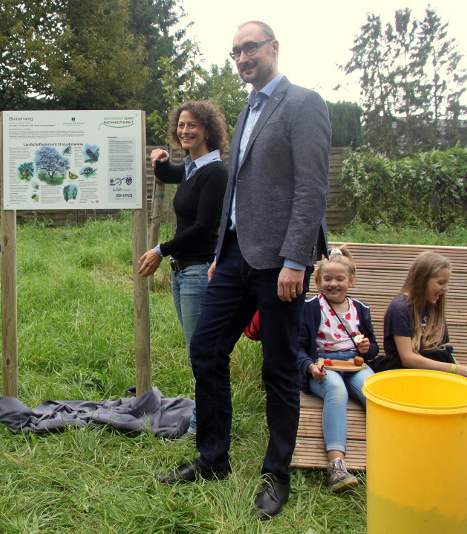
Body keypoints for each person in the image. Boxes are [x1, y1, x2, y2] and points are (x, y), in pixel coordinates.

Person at [156, 21, 331, 521]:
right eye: (235, 52)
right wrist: (216, 255)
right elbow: (235, 192)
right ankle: (213, 459)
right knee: (205, 350)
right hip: (232, 257)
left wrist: (297, 258)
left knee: (279, 368)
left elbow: (312, 189)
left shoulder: (303, 104)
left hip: (280, 261)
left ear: (273, 48)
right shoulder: (248, 109)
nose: (242, 58)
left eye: (249, 48)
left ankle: (277, 473)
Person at [138, 100, 228, 435]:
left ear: (208, 129)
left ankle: (205, 424)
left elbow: (204, 226)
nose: (185, 131)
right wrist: (159, 159)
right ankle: (209, 418)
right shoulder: (193, 168)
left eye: (192, 125)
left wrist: (160, 250)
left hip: (198, 273)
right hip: (182, 273)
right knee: (197, 352)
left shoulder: (216, 172)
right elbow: (171, 174)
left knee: (202, 354)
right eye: (181, 125)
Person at [297, 248, 378, 491]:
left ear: (350, 281)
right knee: (336, 389)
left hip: (354, 364)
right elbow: (297, 348)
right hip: (323, 365)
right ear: (318, 280)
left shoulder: (360, 309)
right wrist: (310, 367)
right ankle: (336, 465)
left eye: (340, 279)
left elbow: (372, 349)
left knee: (372, 390)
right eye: (327, 279)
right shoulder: (310, 308)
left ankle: (390, 452)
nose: (333, 284)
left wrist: (367, 348)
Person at [371, 251, 467, 377]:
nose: (446, 288)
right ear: (423, 280)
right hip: (405, 372)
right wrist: (454, 369)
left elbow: (442, 352)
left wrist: (460, 369)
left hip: (431, 371)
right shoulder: (400, 308)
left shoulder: (433, 307)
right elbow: (408, 359)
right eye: (441, 283)